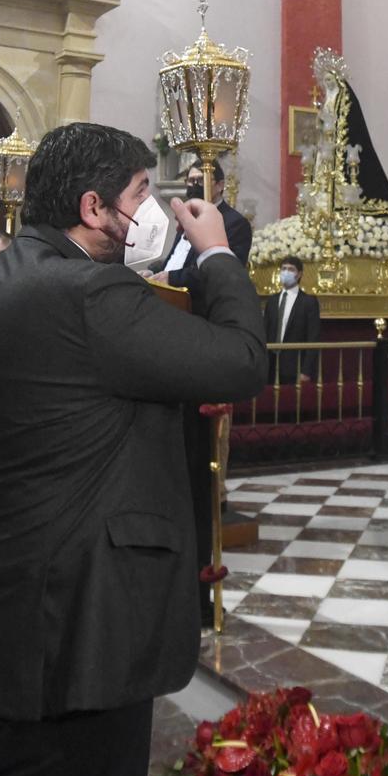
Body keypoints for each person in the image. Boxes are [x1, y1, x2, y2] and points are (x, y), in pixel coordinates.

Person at [0, 122, 267, 776]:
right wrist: (219, 254)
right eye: (143, 192)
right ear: (92, 208)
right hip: (69, 643)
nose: (156, 210)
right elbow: (241, 362)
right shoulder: (90, 296)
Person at [165, 159, 255, 627]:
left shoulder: (232, 225)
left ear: (219, 184)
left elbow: (214, 275)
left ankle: (200, 593)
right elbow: (171, 268)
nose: (191, 185)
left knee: (202, 475)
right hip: (173, 348)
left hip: (203, 349)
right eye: (186, 179)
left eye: (199, 179)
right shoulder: (181, 227)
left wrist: (170, 282)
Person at [264, 255, 321, 383]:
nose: (286, 272)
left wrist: (306, 370)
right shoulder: (272, 301)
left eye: (291, 269)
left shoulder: (308, 302)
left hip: (294, 367)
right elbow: (265, 332)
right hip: (270, 366)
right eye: (283, 268)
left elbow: (313, 337)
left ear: (299, 274)